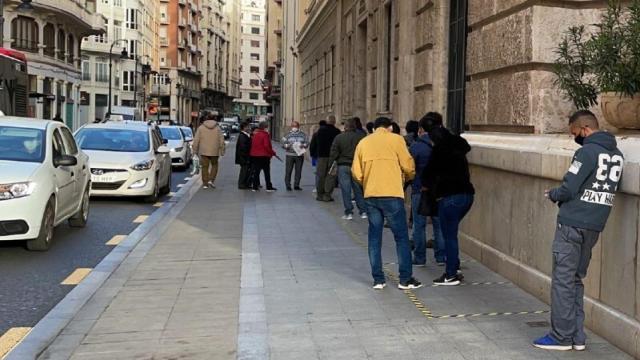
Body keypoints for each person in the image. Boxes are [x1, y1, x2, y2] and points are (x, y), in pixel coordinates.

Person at [533, 110, 624, 351]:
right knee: (575, 279)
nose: (574, 137)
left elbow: (569, 187)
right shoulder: (616, 155)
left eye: (574, 133)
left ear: (584, 128)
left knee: (563, 280)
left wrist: (553, 194)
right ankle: (576, 336)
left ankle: (560, 337)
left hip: (572, 223)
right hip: (594, 225)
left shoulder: (586, 152)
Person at [352, 117, 422, 290]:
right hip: (392, 194)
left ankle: (378, 280)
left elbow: (356, 172)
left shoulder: (364, 142)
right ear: (389, 127)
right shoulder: (397, 140)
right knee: (401, 237)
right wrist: (407, 178)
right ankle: (405, 279)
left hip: (371, 195)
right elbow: (408, 166)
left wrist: (367, 183)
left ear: (375, 128)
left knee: (374, 237)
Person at [421, 117, 474, 286]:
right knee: (452, 234)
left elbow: (427, 175)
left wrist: (427, 186)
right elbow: (465, 145)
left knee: (449, 236)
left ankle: (451, 274)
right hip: (467, 195)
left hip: (450, 197)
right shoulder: (458, 144)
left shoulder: (438, 151)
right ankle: (454, 266)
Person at [409, 116, 446, 267]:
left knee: (419, 225)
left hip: (420, 189)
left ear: (421, 129)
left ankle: (419, 258)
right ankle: (441, 257)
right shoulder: (444, 145)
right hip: (439, 190)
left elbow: (409, 169)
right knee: (439, 225)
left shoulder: (416, 146)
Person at [329, 118, 367, 220]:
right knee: (358, 189)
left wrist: (332, 163)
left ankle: (348, 212)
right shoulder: (361, 137)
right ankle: (363, 211)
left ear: (345, 127)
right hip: (357, 166)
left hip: (343, 166)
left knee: (346, 190)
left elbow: (333, 152)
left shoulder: (339, 137)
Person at [309, 115, 341, 202]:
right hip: (333, 158)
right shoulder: (337, 132)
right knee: (331, 176)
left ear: (327, 121)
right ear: (334, 122)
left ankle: (320, 195)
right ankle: (327, 195)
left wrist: (313, 154)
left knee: (320, 176)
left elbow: (313, 144)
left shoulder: (319, 131)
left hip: (321, 157)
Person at [192, 112, 225, 189]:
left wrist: (195, 151)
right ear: (214, 119)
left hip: (204, 151)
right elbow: (221, 140)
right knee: (214, 165)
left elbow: (196, 140)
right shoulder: (217, 128)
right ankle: (211, 179)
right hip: (215, 150)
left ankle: (205, 183)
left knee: (204, 167)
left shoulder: (201, 128)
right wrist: (222, 150)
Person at [250, 121, 277, 192]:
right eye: (267, 127)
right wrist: (272, 152)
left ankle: (254, 187)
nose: (268, 128)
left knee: (256, 171)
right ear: (265, 127)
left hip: (255, 155)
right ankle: (268, 187)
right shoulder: (265, 135)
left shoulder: (256, 134)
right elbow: (266, 146)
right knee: (266, 172)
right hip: (264, 156)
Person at [281, 121, 308, 191]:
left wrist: (303, 145)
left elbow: (307, 143)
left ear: (298, 126)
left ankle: (296, 185)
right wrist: (287, 145)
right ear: (291, 126)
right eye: (293, 126)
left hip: (299, 155)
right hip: (290, 155)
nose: (294, 128)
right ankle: (288, 185)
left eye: (295, 126)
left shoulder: (303, 134)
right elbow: (282, 144)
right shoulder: (287, 134)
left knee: (298, 171)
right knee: (288, 170)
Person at [235, 122, 252, 189]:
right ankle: (241, 184)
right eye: (248, 127)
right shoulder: (242, 136)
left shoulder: (246, 135)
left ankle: (245, 183)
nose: (249, 128)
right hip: (244, 157)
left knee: (245, 170)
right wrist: (247, 156)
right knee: (244, 171)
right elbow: (243, 147)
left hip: (244, 156)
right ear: (244, 128)